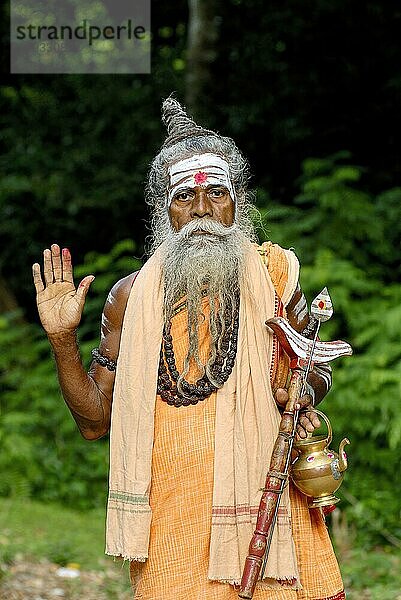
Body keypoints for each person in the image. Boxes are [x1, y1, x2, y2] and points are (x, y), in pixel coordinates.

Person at [32, 98, 345, 600]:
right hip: (172, 522)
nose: (202, 210)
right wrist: (62, 340)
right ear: (165, 210)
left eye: (216, 193)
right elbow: (94, 422)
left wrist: (303, 394)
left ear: (237, 204)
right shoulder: (129, 298)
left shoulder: (275, 276)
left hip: (267, 506)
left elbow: (315, 368)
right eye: (185, 197)